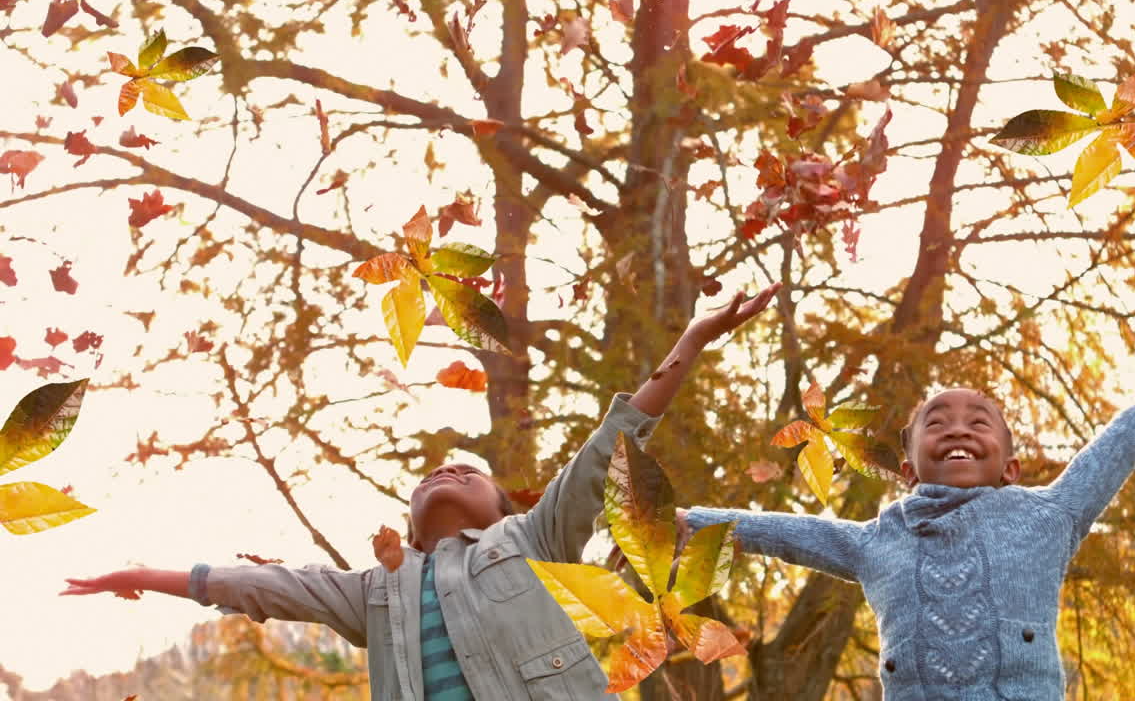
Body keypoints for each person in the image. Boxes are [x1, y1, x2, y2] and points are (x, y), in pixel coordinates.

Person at [62, 282, 782, 701]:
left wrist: (690, 338)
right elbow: (264, 586)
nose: (446, 470)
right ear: (406, 529)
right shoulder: (374, 592)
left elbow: (611, 442)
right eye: (432, 474)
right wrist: (143, 576)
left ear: (507, 507)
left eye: (469, 471)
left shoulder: (533, 538)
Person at [679, 323, 1135, 701]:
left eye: (978, 422)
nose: (957, 430)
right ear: (909, 470)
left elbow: (1125, 436)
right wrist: (680, 523)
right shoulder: (873, 542)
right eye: (936, 423)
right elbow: (779, 532)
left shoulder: (1051, 515)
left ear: (1010, 468)